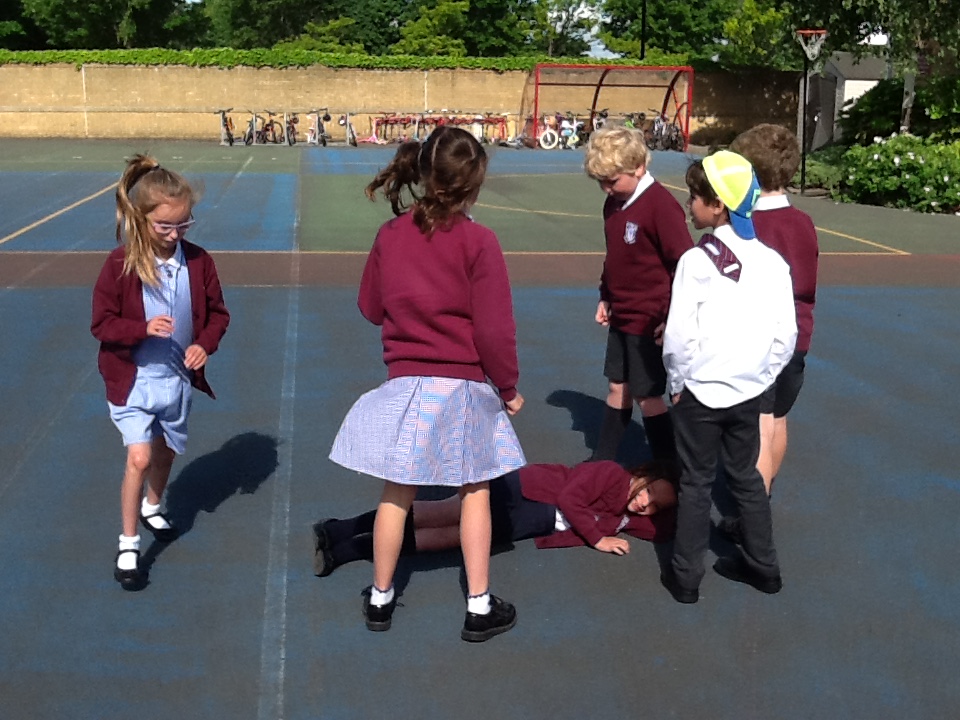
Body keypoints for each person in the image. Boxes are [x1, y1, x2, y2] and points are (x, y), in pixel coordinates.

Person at [329, 126, 525, 643]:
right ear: (473, 185)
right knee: (476, 489)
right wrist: (507, 387)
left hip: (406, 380)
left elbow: (371, 307)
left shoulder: (391, 235)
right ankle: (478, 604)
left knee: (397, 491)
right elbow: (494, 330)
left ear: (422, 172)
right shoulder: (480, 241)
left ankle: (380, 596)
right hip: (462, 383)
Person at [660, 151, 796, 604]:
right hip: (749, 391)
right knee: (746, 478)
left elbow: (678, 338)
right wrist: (761, 377)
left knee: (696, 482)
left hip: (700, 392)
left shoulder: (696, 262)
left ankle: (686, 579)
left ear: (717, 205)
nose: (689, 204)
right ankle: (765, 567)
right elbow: (786, 336)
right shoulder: (773, 262)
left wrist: (677, 383)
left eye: (694, 197)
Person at [91, 154, 230, 591]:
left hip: (176, 380)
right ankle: (129, 542)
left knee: (166, 452)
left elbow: (218, 315)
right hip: (133, 380)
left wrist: (203, 344)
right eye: (165, 226)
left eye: (184, 224)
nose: (175, 234)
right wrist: (141, 328)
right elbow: (101, 324)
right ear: (141, 219)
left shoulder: (199, 262)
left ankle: (153, 505)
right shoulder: (120, 264)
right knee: (140, 456)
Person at [312, 459, 678, 576]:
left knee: (448, 539)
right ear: (643, 477)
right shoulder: (611, 474)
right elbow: (570, 498)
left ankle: (347, 552)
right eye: (647, 491)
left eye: (653, 505)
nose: (643, 503)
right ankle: (339, 529)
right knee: (438, 514)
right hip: (523, 491)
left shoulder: (627, 517)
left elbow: (661, 532)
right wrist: (598, 540)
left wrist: (687, 503)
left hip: (531, 521)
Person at [719, 125, 820, 540]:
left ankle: (752, 516)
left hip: (757, 339)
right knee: (777, 418)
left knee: (756, 427)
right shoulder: (803, 222)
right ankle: (764, 494)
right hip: (797, 337)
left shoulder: (748, 225)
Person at [583, 126, 694, 464]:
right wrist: (606, 295)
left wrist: (671, 316)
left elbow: (685, 266)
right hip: (623, 313)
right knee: (618, 386)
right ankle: (602, 463)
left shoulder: (661, 206)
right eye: (601, 182)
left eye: (612, 181)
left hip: (650, 319)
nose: (606, 188)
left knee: (648, 395)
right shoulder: (613, 204)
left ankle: (666, 466)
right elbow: (615, 257)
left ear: (639, 168)